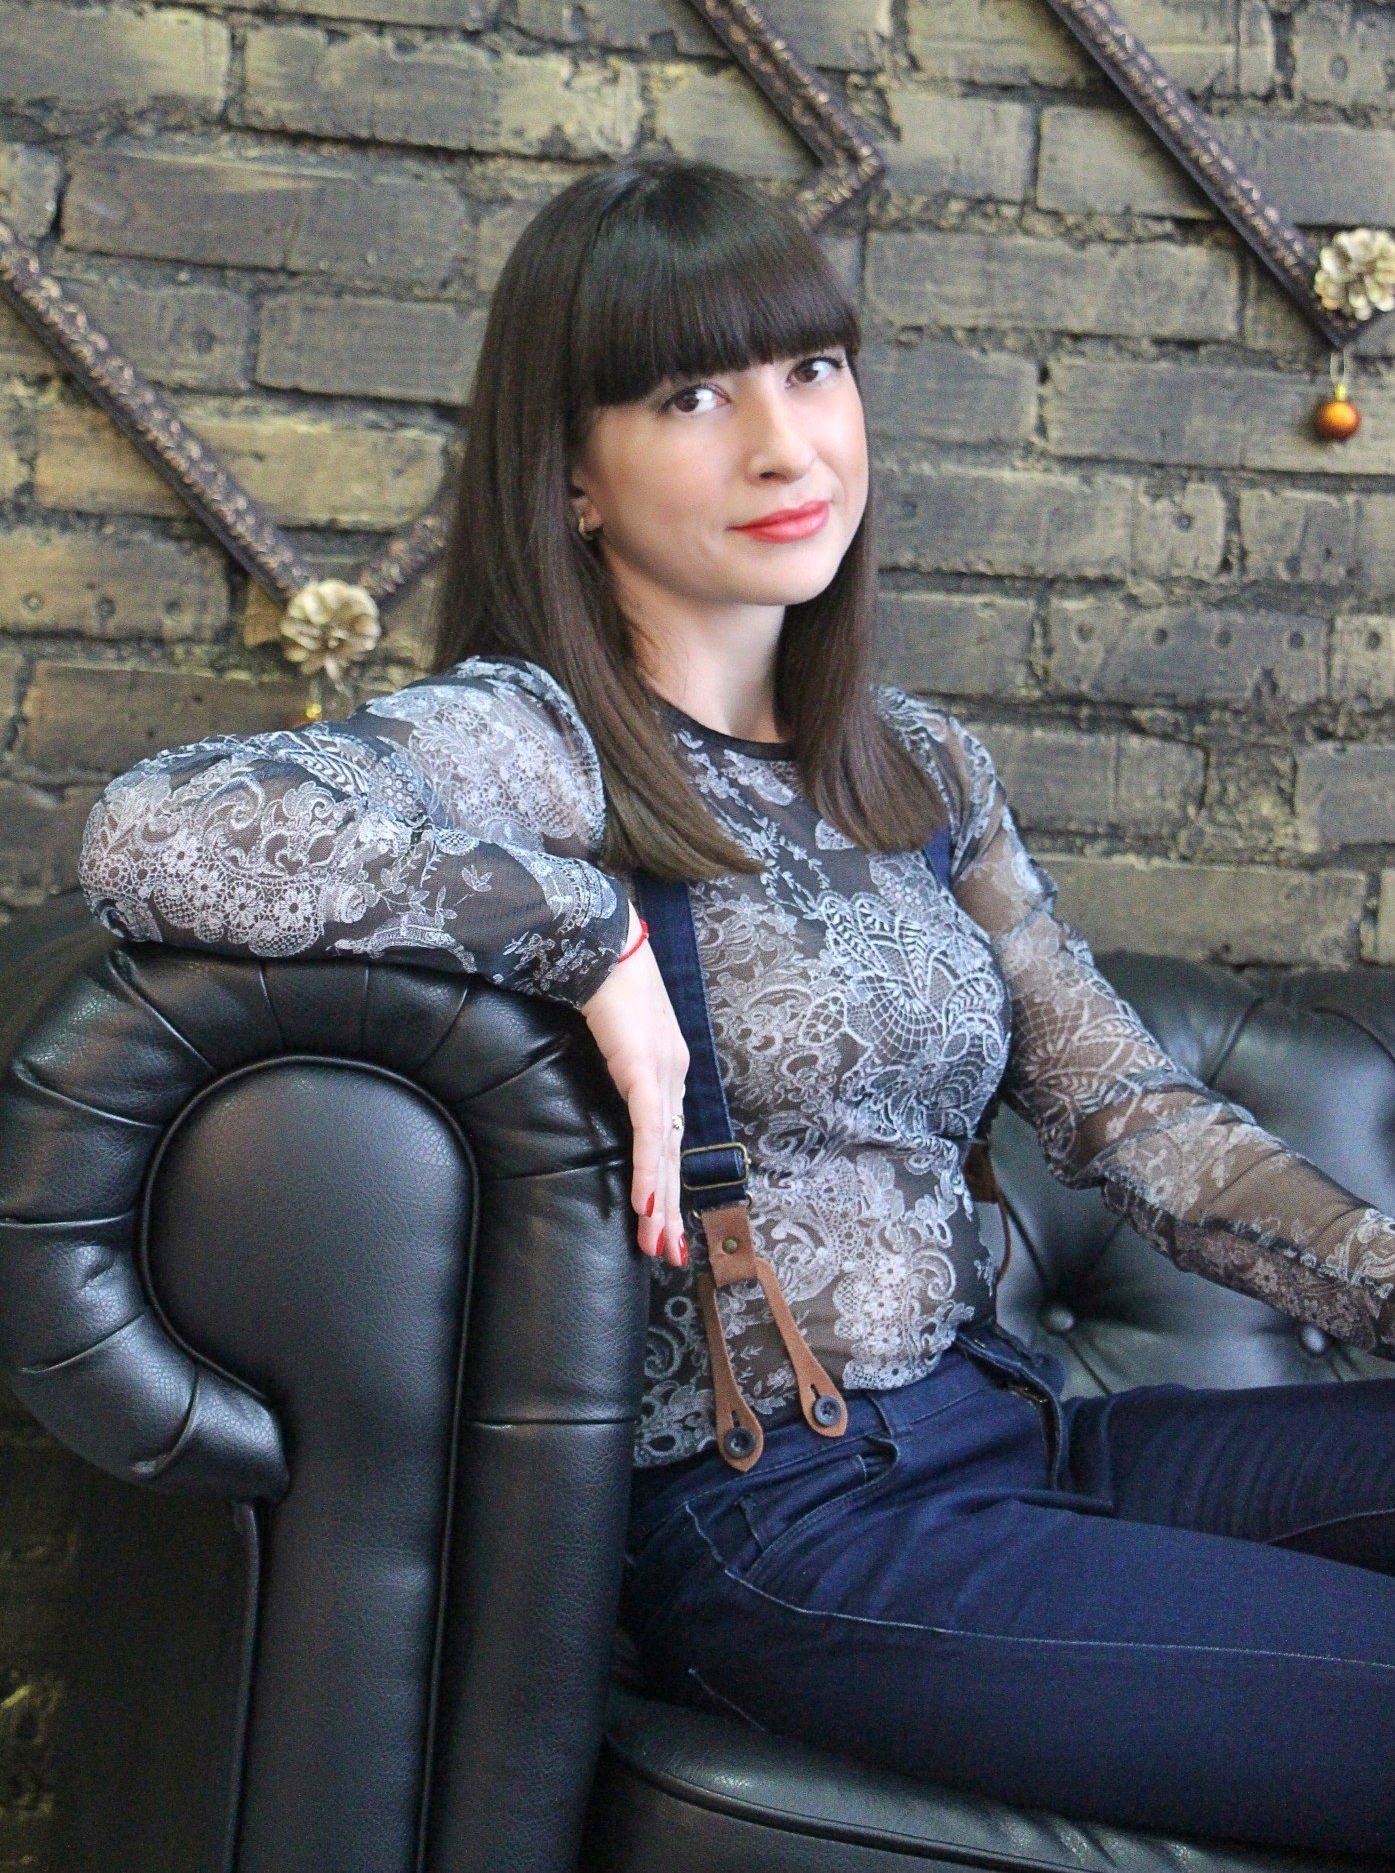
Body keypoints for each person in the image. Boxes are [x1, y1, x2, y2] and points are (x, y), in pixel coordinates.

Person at [78, 153, 1395, 1856]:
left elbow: (1136, 1120)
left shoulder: (919, 767)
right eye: (692, 395)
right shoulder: (537, 742)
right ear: (573, 475)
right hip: (791, 1519)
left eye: (813, 368)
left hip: (1017, 1435)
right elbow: (159, 831)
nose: (786, 444)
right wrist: (588, 934)